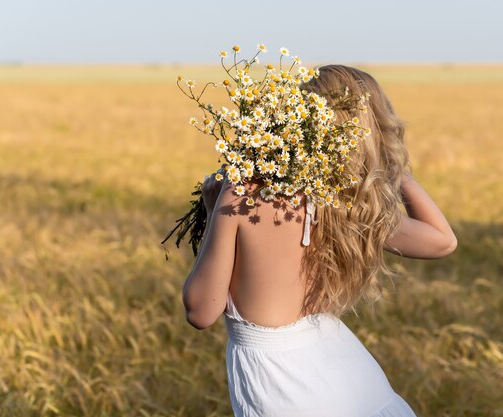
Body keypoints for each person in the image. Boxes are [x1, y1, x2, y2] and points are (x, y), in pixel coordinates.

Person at [182, 64, 457, 416]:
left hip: (283, 386)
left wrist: (216, 207)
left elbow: (200, 310)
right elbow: (443, 241)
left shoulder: (246, 195)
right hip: (348, 373)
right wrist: (390, 165)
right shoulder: (350, 205)